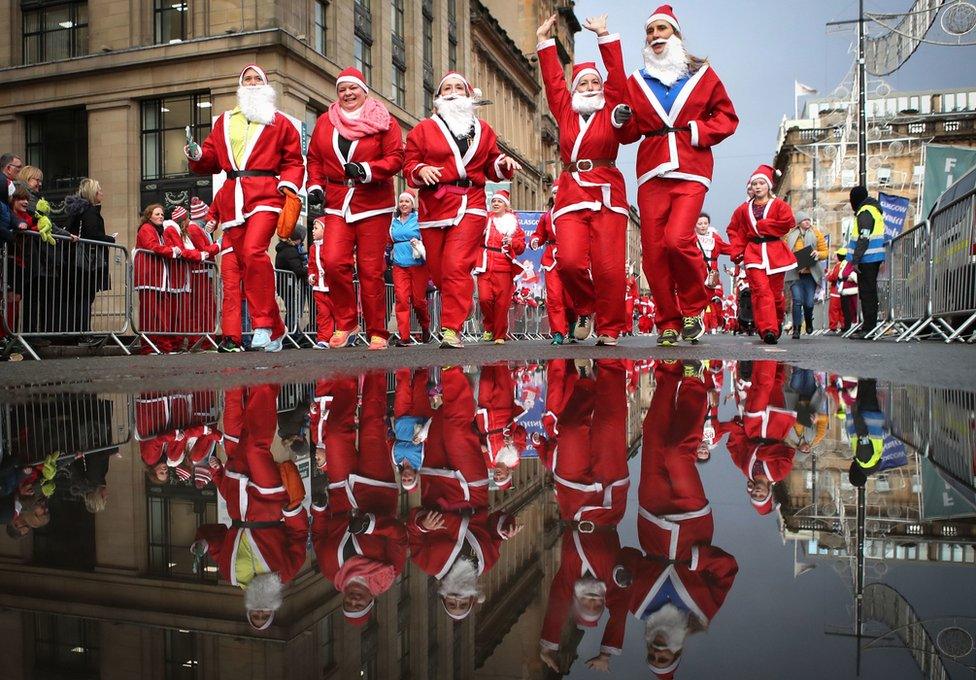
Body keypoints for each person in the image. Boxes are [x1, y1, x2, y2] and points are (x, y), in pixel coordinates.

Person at [611, 4, 738, 347]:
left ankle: (694, 307)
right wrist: (621, 119)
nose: (655, 37)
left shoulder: (704, 75)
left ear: (676, 35)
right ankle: (668, 319)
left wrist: (697, 131)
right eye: (650, 32)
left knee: (678, 239)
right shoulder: (637, 81)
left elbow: (727, 118)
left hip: (691, 168)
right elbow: (629, 134)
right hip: (651, 171)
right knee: (653, 251)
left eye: (661, 30)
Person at [621, 358, 737, 678]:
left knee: (653, 435)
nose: (658, 650)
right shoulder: (703, 611)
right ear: (678, 650)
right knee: (676, 452)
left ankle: (669, 371)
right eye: (664, 657)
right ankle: (693, 380)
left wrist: (621, 572)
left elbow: (625, 559)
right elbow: (728, 568)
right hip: (691, 520)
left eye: (652, 655)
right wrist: (699, 559)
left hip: (652, 514)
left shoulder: (638, 606)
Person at [185, 64, 305, 353]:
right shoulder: (225, 121)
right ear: (241, 86)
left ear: (265, 85)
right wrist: (197, 153)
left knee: (253, 252)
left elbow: (293, 160)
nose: (251, 83)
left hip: (266, 194)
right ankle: (276, 327)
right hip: (232, 199)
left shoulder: (280, 122)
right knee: (246, 262)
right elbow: (212, 157)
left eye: (257, 79)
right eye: (246, 79)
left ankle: (264, 324)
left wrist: (288, 185)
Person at [403, 71, 521, 348]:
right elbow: (409, 166)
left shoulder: (484, 130)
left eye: (459, 87)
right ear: (438, 98)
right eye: (447, 88)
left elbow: (491, 167)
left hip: (471, 202)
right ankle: (459, 302)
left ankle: (451, 329)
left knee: (457, 265)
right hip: (433, 205)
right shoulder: (422, 130)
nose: (453, 91)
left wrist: (503, 166)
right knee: (440, 271)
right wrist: (422, 169)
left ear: (469, 96)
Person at [536, 13, 630, 346]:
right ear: (575, 89)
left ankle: (610, 327)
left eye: (594, 83)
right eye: (583, 83)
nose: (589, 87)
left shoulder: (611, 107)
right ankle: (587, 307)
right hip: (572, 191)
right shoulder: (565, 109)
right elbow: (553, 81)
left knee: (609, 268)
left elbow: (618, 78)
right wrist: (545, 42)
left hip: (607, 190)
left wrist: (604, 35)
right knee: (571, 261)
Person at [536, 360, 631, 674]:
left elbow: (555, 608)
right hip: (608, 500)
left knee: (573, 429)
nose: (593, 601)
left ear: (575, 602)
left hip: (573, 500)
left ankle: (585, 378)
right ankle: (612, 365)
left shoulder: (566, 581)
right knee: (611, 423)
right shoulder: (614, 586)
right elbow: (619, 614)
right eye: (597, 606)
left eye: (585, 606)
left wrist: (548, 645)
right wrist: (607, 652)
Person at [191, 384, 307, 631]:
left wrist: (202, 544)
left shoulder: (229, 573)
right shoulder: (285, 573)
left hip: (238, 502)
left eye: (255, 615)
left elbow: (215, 534)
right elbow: (299, 534)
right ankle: (266, 382)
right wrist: (292, 509)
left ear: (248, 609)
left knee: (237, 440)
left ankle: (239, 378)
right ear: (273, 608)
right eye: (264, 615)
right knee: (256, 447)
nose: (259, 610)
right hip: (268, 501)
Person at [306, 67, 403, 350]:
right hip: (336, 200)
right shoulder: (325, 121)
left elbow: (396, 158)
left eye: (353, 88)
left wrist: (367, 169)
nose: (347, 93)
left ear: (364, 91)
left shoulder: (384, 119)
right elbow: (313, 158)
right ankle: (347, 323)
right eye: (342, 89)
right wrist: (314, 185)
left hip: (372, 202)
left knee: (371, 269)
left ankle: (377, 331)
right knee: (334, 261)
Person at [726, 165, 797, 344]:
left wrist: (766, 226)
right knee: (761, 291)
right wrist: (737, 250)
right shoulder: (743, 209)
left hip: (775, 253)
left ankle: (776, 321)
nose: (757, 187)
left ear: (768, 186)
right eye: (754, 184)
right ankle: (768, 330)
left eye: (761, 183)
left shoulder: (779, 205)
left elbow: (788, 222)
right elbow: (735, 230)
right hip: (754, 253)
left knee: (775, 295)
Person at [64, 179, 117, 343]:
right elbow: (93, 234)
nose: (102, 192)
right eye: (99, 190)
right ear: (93, 193)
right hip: (86, 263)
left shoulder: (79, 211)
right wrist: (110, 239)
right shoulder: (89, 212)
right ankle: (83, 333)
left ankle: (78, 332)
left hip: (77, 261)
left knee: (80, 298)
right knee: (85, 297)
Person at [474, 190, 525, 344]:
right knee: (484, 299)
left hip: (504, 266)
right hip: (485, 264)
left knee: (502, 303)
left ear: (506, 205)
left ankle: (499, 334)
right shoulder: (486, 219)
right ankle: (489, 327)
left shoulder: (513, 222)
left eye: (499, 201)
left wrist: (512, 243)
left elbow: (521, 246)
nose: (495, 203)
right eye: (494, 201)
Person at [530, 188, 574, 345]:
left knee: (570, 299)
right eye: (554, 193)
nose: (557, 195)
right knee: (554, 298)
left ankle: (573, 326)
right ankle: (558, 332)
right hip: (550, 260)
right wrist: (535, 240)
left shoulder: (574, 213)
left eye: (560, 192)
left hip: (570, 256)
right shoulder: (546, 216)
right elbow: (539, 235)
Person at [388, 190, 431, 346]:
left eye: (407, 201)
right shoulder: (393, 222)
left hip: (418, 264)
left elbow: (428, 238)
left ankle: (425, 326)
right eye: (401, 202)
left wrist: (419, 241)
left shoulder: (419, 219)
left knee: (418, 301)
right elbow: (388, 241)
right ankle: (404, 337)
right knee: (401, 299)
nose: (404, 204)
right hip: (399, 265)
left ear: (413, 204)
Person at [846, 186, 886, 338]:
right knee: (868, 292)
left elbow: (864, 236)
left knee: (867, 293)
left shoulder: (865, 212)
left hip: (868, 258)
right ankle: (868, 325)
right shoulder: (873, 210)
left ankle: (869, 328)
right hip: (872, 257)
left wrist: (856, 260)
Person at [784, 211, 828, 339]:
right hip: (795, 273)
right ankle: (796, 328)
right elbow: (784, 250)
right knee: (797, 301)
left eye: (808, 220)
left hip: (810, 274)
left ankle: (808, 321)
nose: (807, 222)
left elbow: (824, 251)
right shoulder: (790, 235)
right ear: (799, 222)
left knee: (809, 303)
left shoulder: (816, 233)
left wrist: (818, 254)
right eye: (804, 220)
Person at [695, 212, 729, 334]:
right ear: (695, 225)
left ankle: (699, 322)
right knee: (694, 299)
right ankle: (694, 322)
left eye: (705, 223)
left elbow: (725, 248)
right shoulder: (691, 236)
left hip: (710, 274)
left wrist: (743, 250)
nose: (703, 226)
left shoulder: (714, 237)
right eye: (700, 223)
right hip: (695, 272)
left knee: (707, 299)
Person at [274, 223, 308, 341]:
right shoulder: (291, 251)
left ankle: (292, 334)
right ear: (297, 238)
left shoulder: (283, 248)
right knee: (293, 310)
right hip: (289, 286)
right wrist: (309, 269)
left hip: (285, 285)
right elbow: (297, 269)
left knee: (292, 309)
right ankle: (290, 336)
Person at [307, 217, 335, 349]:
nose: (313, 231)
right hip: (319, 287)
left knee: (337, 312)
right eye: (313, 228)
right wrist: (311, 275)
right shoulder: (313, 248)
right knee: (323, 314)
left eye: (316, 228)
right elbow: (311, 265)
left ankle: (343, 335)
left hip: (332, 286)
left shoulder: (332, 245)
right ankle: (323, 339)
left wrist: (328, 272)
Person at [828, 247, 859, 332]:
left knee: (837, 310)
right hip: (845, 289)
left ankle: (836, 327)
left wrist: (828, 275)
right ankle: (845, 326)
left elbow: (834, 276)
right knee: (846, 310)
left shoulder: (840, 265)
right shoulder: (847, 263)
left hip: (839, 290)